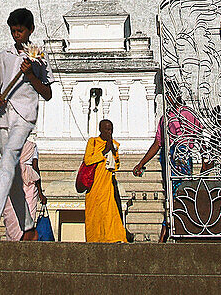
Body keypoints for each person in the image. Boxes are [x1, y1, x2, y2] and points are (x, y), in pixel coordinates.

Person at [0, 8, 53, 241]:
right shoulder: (4, 56)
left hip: (24, 116)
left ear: (30, 30)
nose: (16, 35)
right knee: (10, 175)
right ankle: (29, 229)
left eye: (20, 31)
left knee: (8, 160)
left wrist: (31, 74)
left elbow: (47, 92)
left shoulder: (38, 57)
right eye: (13, 31)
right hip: (3, 117)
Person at [132, 91, 201, 242]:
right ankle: (169, 228)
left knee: (181, 193)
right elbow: (159, 142)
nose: (168, 98)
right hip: (169, 157)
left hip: (181, 157)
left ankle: (174, 229)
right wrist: (142, 163)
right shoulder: (166, 118)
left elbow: (198, 134)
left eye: (170, 94)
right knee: (171, 194)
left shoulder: (186, 114)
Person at [83, 118, 127, 243]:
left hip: (107, 184)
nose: (109, 132)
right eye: (106, 129)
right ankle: (94, 239)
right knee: (94, 213)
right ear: (100, 130)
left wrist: (112, 150)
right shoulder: (93, 142)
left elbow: (116, 166)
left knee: (109, 212)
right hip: (94, 184)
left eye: (111, 129)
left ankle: (113, 237)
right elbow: (87, 160)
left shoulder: (115, 145)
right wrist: (104, 152)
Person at [1, 138, 46, 241]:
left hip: (14, 179)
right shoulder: (32, 146)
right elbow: (35, 167)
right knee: (28, 214)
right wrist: (40, 192)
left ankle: (15, 240)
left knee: (12, 216)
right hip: (28, 180)